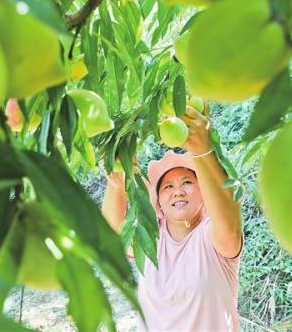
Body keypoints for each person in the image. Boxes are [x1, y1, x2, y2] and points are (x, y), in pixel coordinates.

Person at [102, 104, 243, 331]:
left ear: (204, 192)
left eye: (187, 182)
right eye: (167, 186)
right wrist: (116, 184)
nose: (178, 191)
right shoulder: (150, 240)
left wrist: (201, 148)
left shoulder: (211, 238)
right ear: (158, 202)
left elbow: (229, 221)